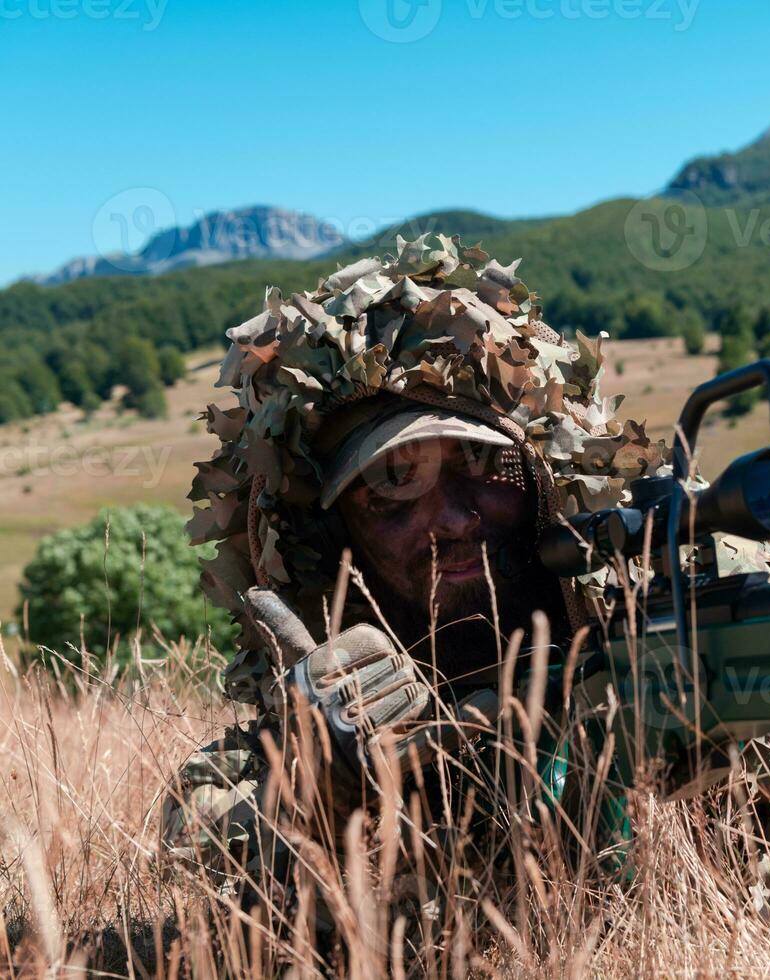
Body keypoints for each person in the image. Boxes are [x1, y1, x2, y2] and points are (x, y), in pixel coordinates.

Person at [161, 233, 683, 908]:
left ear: (538, 483)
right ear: (339, 531)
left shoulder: (639, 602)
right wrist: (322, 778)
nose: (456, 520)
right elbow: (189, 820)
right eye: (396, 483)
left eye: (485, 468)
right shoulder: (349, 674)